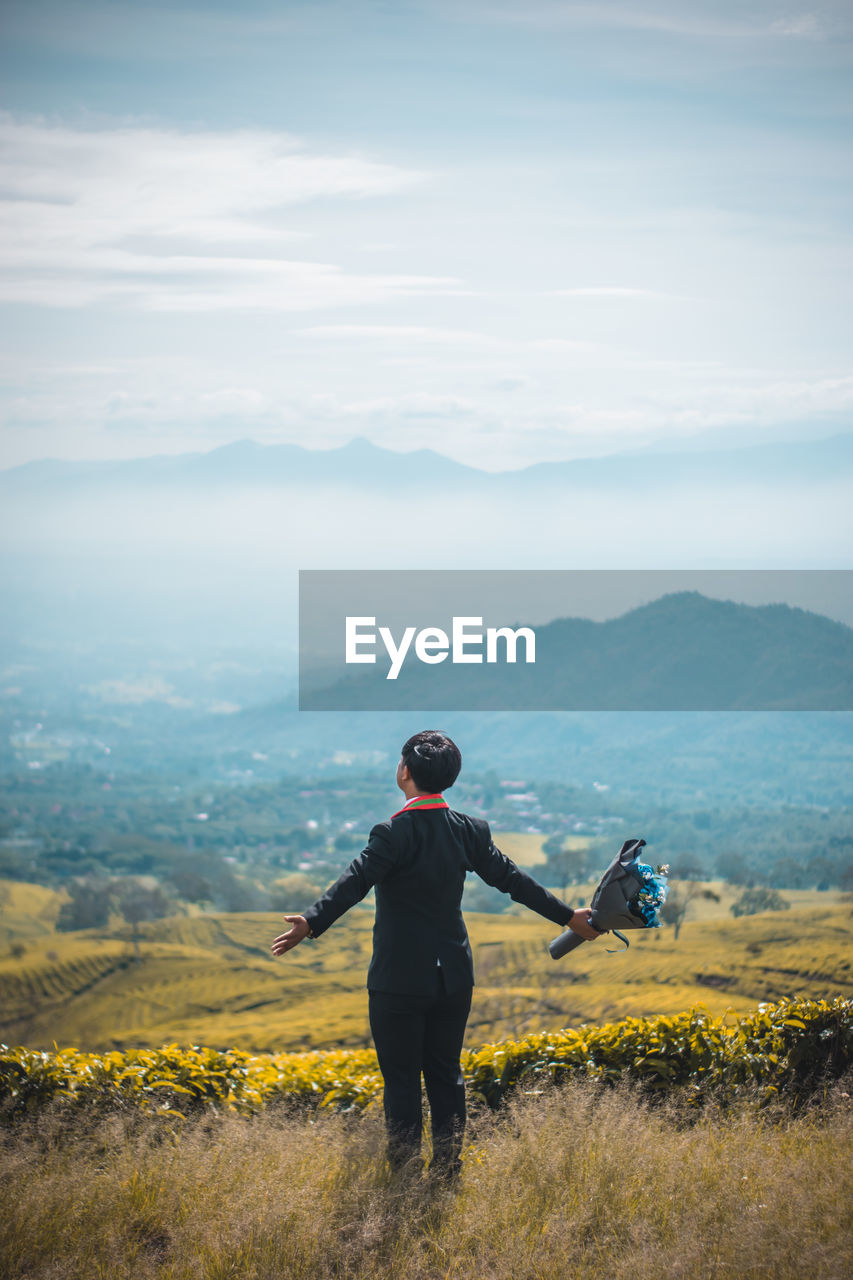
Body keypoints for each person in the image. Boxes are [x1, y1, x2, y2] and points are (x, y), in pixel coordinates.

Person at [271, 730, 602, 1180]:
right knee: (446, 1074)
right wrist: (569, 917)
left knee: (403, 1081)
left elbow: (355, 881)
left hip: (398, 980)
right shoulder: (469, 831)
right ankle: (448, 1171)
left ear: (404, 771)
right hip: (454, 980)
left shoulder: (393, 832)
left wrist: (311, 921)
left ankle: (405, 1176)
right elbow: (514, 881)